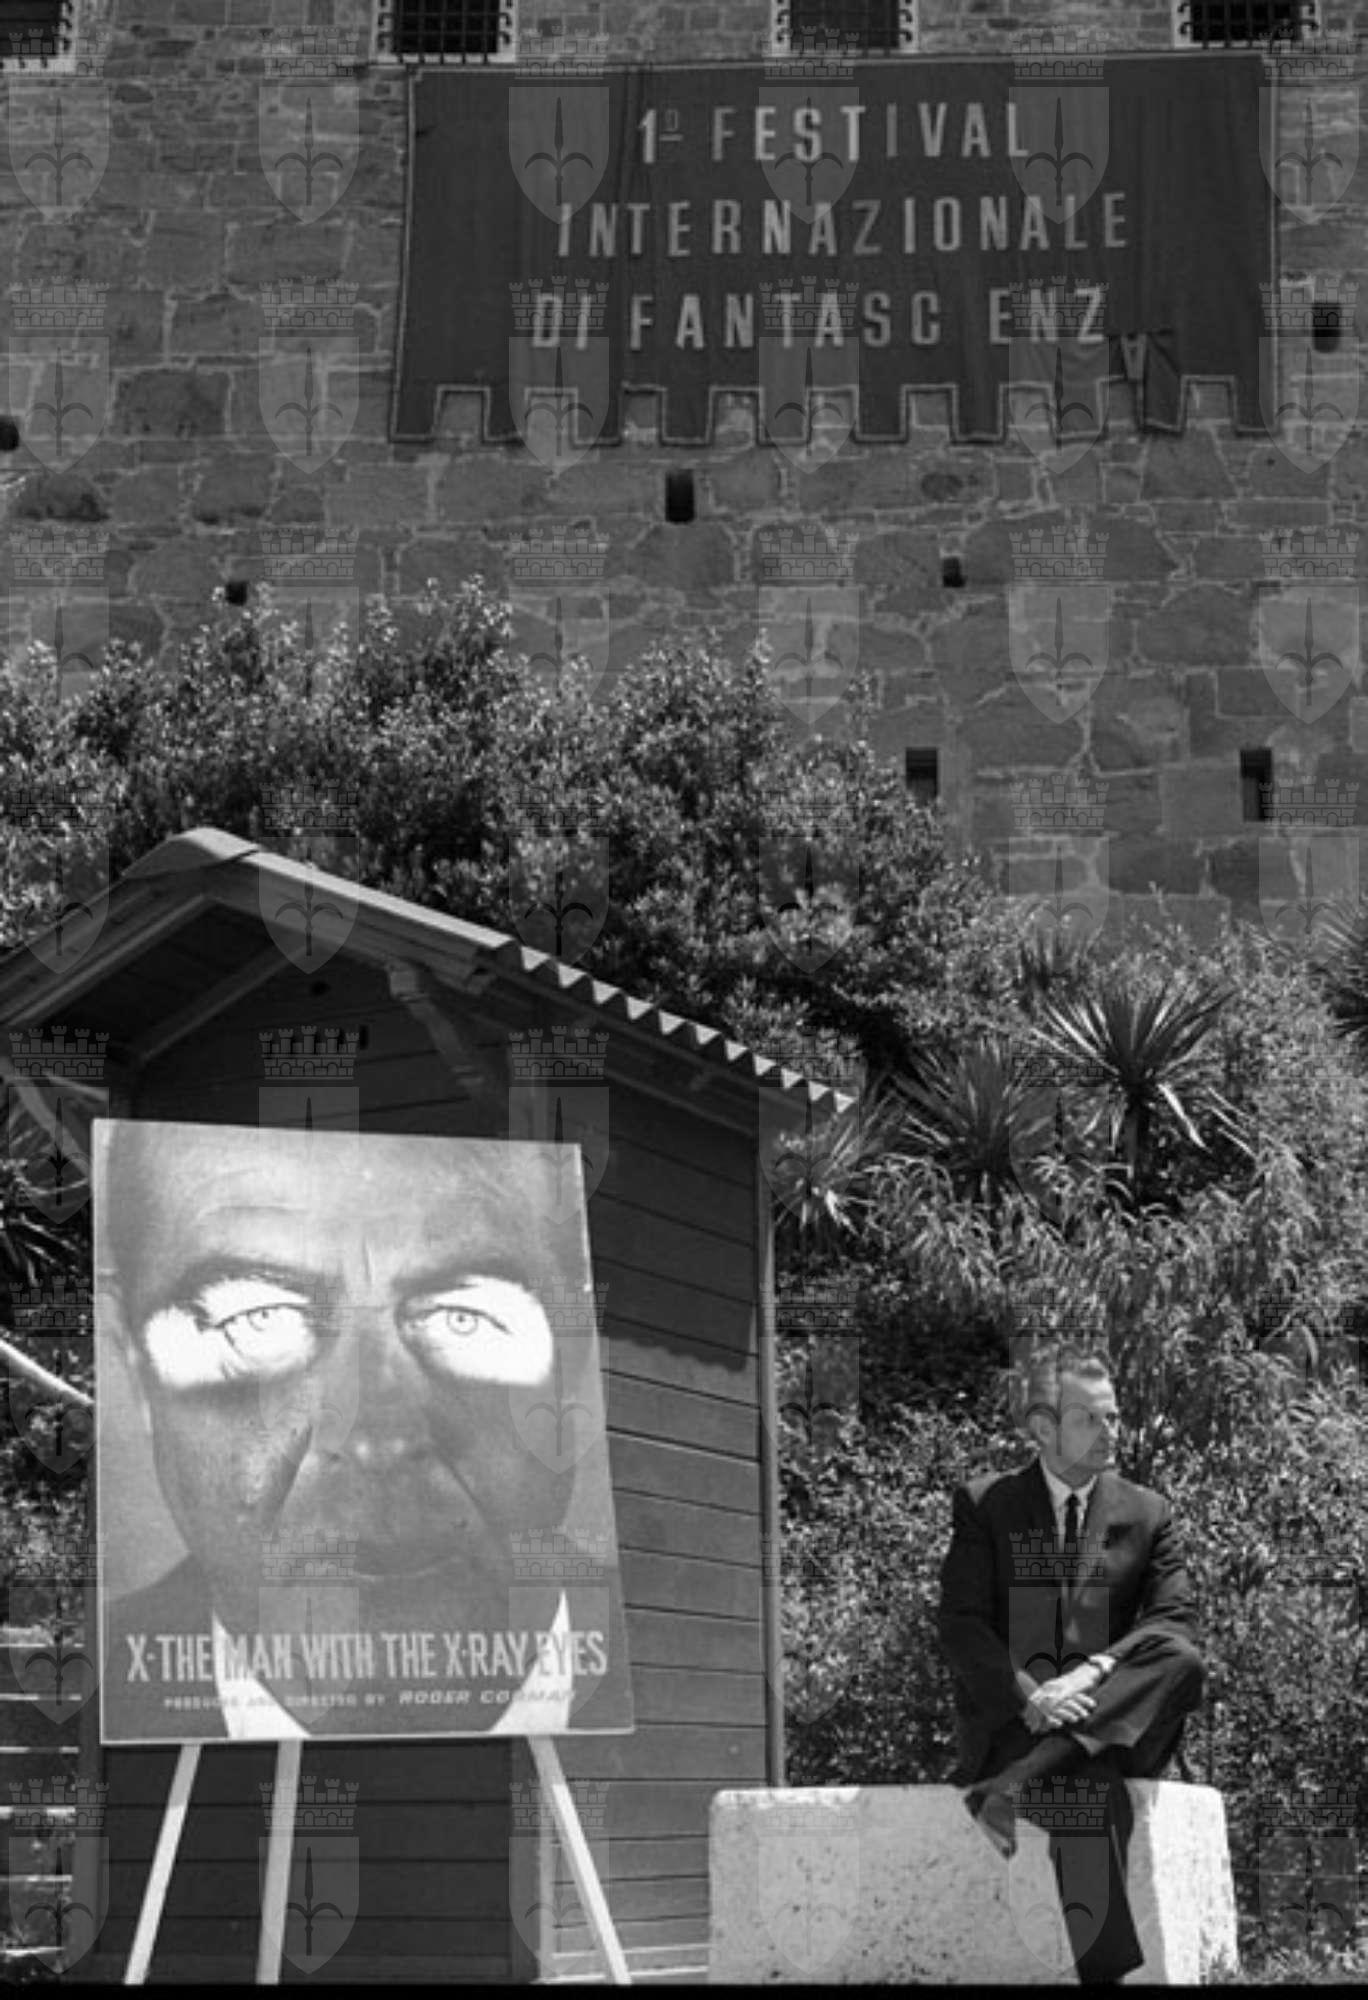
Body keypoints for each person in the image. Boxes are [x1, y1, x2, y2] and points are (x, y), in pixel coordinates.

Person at [96, 1118, 630, 1742]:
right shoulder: (79, 1698)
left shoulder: (681, 1664)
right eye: (257, 1318)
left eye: (464, 1318)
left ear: (574, 1352)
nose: (375, 1440)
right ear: (136, 1368)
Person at [937, 1346, 1205, 1986]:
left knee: (1182, 1657)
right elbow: (962, 1626)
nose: (1111, 1431)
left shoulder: (1148, 1513)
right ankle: (1103, 1977)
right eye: (1089, 1418)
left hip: (1118, 1725)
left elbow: (1174, 1620)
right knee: (1090, 1801)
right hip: (1017, 1724)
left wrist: (1090, 1674)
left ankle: (1017, 1783)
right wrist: (1033, 1696)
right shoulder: (987, 1505)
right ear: (1042, 1427)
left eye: (1114, 1417)